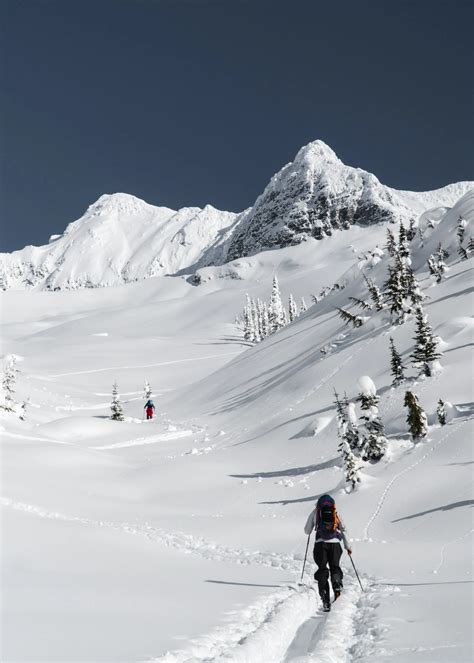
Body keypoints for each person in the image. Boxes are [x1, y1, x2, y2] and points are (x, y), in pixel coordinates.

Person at [304, 493, 352, 611]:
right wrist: (348, 546)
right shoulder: (335, 513)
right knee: (335, 566)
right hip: (335, 544)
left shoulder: (316, 512)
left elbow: (307, 530)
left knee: (322, 569)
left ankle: (325, 599)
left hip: (320, 544)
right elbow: (343, 529)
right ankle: (336, 586)